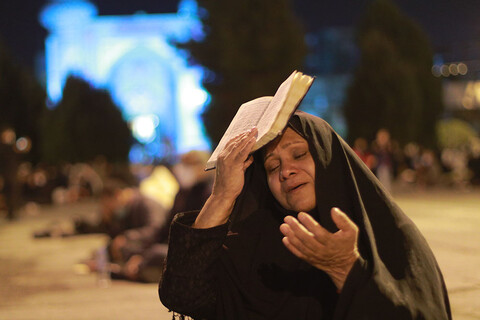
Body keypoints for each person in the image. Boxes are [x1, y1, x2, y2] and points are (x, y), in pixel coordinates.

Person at [159, 111, 451, 320]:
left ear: (329, 159)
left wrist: (346, 270)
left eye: (299, 155)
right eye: (273, 167)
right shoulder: (257, 248)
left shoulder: (389, 236)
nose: (286, 171)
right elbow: (183, 294)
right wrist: (222, 196)